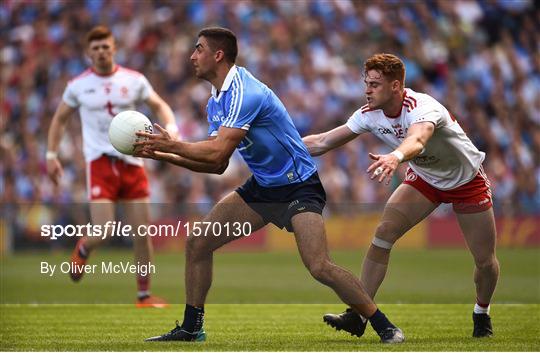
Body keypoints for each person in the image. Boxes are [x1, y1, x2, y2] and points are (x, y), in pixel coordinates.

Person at [135, 27, 404, 344]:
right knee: (198, 242)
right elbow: (218, 164)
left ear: (217, 55)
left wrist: (171, 146)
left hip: (298, 185)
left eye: (198, 49)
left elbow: (218, 152)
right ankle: (192, 328)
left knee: (318, 265)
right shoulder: (217, 99)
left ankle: (385, 325)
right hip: (263, 188)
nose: (192, 56)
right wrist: (164, 153)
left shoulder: (244, 92)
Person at [303, 53, 500, 338]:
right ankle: (358, 315)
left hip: (466, 180)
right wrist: (280, 145)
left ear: (396, 86)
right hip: (425, 179)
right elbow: (322, 142)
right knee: (382, 235)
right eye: (366, 83)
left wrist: (395, 157)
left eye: (374, 84)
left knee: (485, 261)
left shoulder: (422, 106)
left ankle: (481, 313)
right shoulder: (368, 114)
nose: (367, 90)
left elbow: (417, 141)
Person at [47, 25, 178, 308]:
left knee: (142, 233)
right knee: (104, 230)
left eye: (105, 46)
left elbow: (159, 104)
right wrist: (51, 154)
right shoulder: (77, 86)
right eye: (95, 48)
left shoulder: (134, 80)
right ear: (88, 53)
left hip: (133, 162)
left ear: (114, 48)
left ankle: (143, 296)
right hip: (100, 163)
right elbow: (59, 119)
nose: (101, 52)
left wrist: (172, 127)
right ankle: (83, 246)